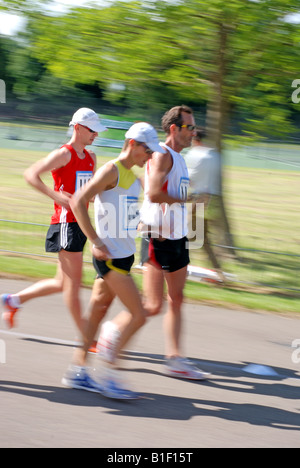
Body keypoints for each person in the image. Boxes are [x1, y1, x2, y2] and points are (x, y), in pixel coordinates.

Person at [99, 105, 210, 381]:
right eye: (189, 127)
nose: (193, 132)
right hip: (157, 236)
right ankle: (111, 334)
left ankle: (175, 359)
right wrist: (187, 201)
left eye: (194, 127)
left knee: (177, 299)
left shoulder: (181, 158)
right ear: (174, 128)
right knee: (151, 305)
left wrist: (191, 203)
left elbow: (172, 195)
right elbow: (153, 193)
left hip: (177, 236)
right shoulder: (161, 154)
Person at [62, 122, 166, 399]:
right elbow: (77, 202)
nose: (151, 155)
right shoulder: (111, 170)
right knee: (140, 314)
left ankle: (78, 371)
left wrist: (143, 226)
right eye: (147, 149)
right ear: (132, 144)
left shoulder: (133, 177)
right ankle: (110, 376)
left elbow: (123, 213)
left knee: (96, 312)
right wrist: (95, 241)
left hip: (124, 256)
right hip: (109, 260)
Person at [1, 107, 106, 338]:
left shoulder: (91, 158)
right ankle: (87, 337)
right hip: (66, 223)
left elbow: (86, 193)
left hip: (80, 224)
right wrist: (56, 195)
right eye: (92, 130)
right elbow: (31, 174)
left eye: (97, 131)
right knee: (73, 286)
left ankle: (14, 300)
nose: (95, 135)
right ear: (77, 128)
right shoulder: (64, 154)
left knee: (61, 282)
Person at [185, 128, 226, 282]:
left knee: (188, 234)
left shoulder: (194, 154)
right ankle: (218, 271)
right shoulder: (215, 155)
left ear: (194, 139)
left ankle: (175, 267)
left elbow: (188, 178)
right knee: (202, 239)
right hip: (214, 200)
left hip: (200, 199)